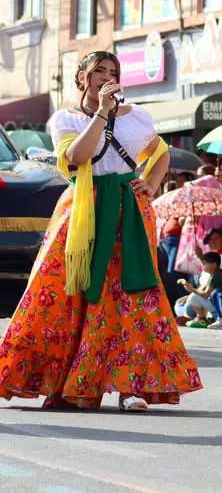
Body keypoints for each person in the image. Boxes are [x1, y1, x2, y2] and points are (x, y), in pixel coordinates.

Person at [0, 50, 201, 410]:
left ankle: (132, 387)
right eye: (98, 72)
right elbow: (77, 157)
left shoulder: (138, 116)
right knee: (64, 296)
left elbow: (161, 151)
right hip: (82, 211)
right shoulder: (67, 119)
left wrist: (152, 183)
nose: (106, 77)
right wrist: (101, 114)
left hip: (129, 212)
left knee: (131, 296)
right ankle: (64, 384)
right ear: (82, 78)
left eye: (112, 71)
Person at [174, 251, 222, 328]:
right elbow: (203, 290)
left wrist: (192, 290)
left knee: (193, 297)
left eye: (205, 264)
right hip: (214, 304)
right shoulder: (213, 275)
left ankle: (202, 319)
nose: (203, 266)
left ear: (214, 265)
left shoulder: (216, 276)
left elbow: (206, 294)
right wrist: (191, 289)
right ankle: (199, 318)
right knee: (184, 302)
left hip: (217, 305)